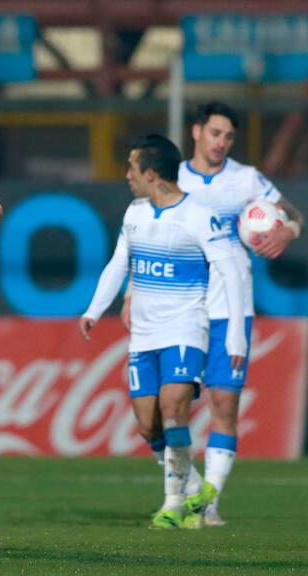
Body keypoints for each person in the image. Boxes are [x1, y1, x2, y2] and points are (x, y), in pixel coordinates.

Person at [122, 103, 304, 526]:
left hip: (227, 309)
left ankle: (210, 502)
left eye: (229, 137)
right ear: (197, 132)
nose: (221, 142)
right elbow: (143, 237)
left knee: (225, 402)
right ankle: (189, 490)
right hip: (177, 310)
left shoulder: (246, 180)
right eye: (215, 133)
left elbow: (295, 214)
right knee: (153, 418)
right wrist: (132, 292)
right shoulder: (172, 177)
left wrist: (287, 230)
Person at [80, 134, 247, 529]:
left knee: (174, 408)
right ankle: (196, 489)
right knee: (147, 424)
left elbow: (232, 272)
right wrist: (94, 309)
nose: (127, 176)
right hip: (144, 335)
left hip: (186, 328)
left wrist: (235, 334)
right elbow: (119, 265)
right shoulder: (136, 213)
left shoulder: (198, 216)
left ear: (152, 174)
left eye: (132, 167)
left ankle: (173, 502)